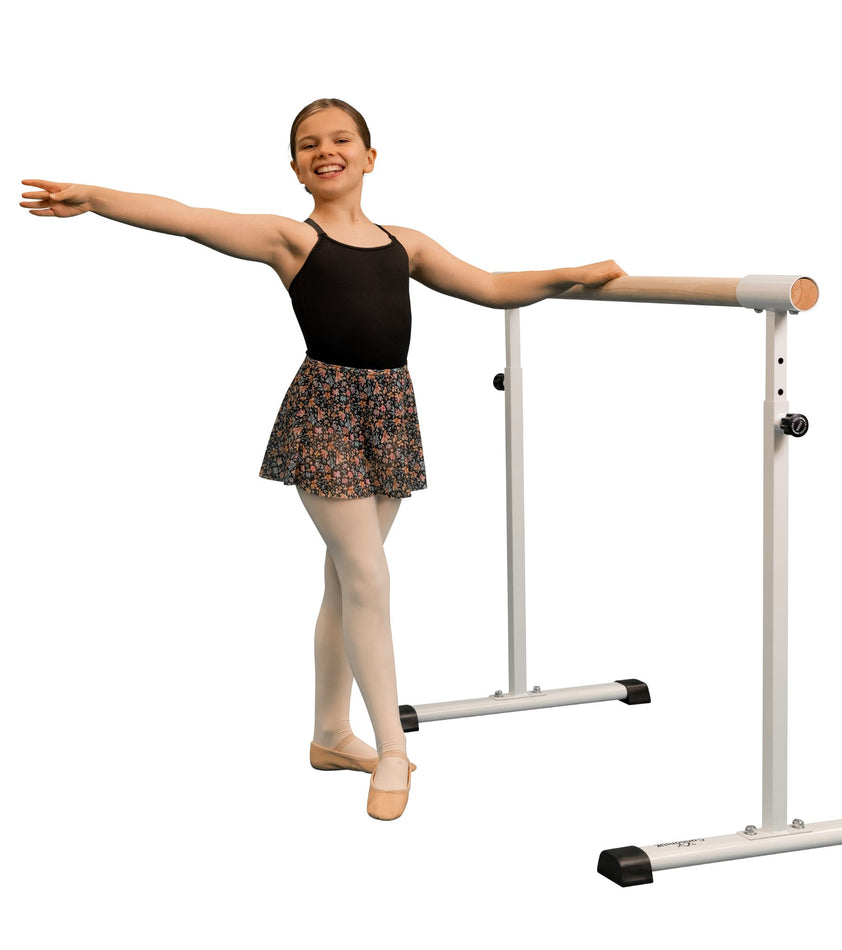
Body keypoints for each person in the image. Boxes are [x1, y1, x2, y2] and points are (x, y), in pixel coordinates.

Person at [21, 97, 626, 820]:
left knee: (348, 581)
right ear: (296, 168)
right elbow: (185, 217)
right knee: (368, 574)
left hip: (390, 409)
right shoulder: (292, 240)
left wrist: (573, 275)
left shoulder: (408, 245)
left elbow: (492, 288)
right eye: (309, 144)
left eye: (341, 139)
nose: (325, 149)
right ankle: (391, 748)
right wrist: (96, 200)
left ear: (371, 157)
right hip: (328, 410)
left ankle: (331, 735)